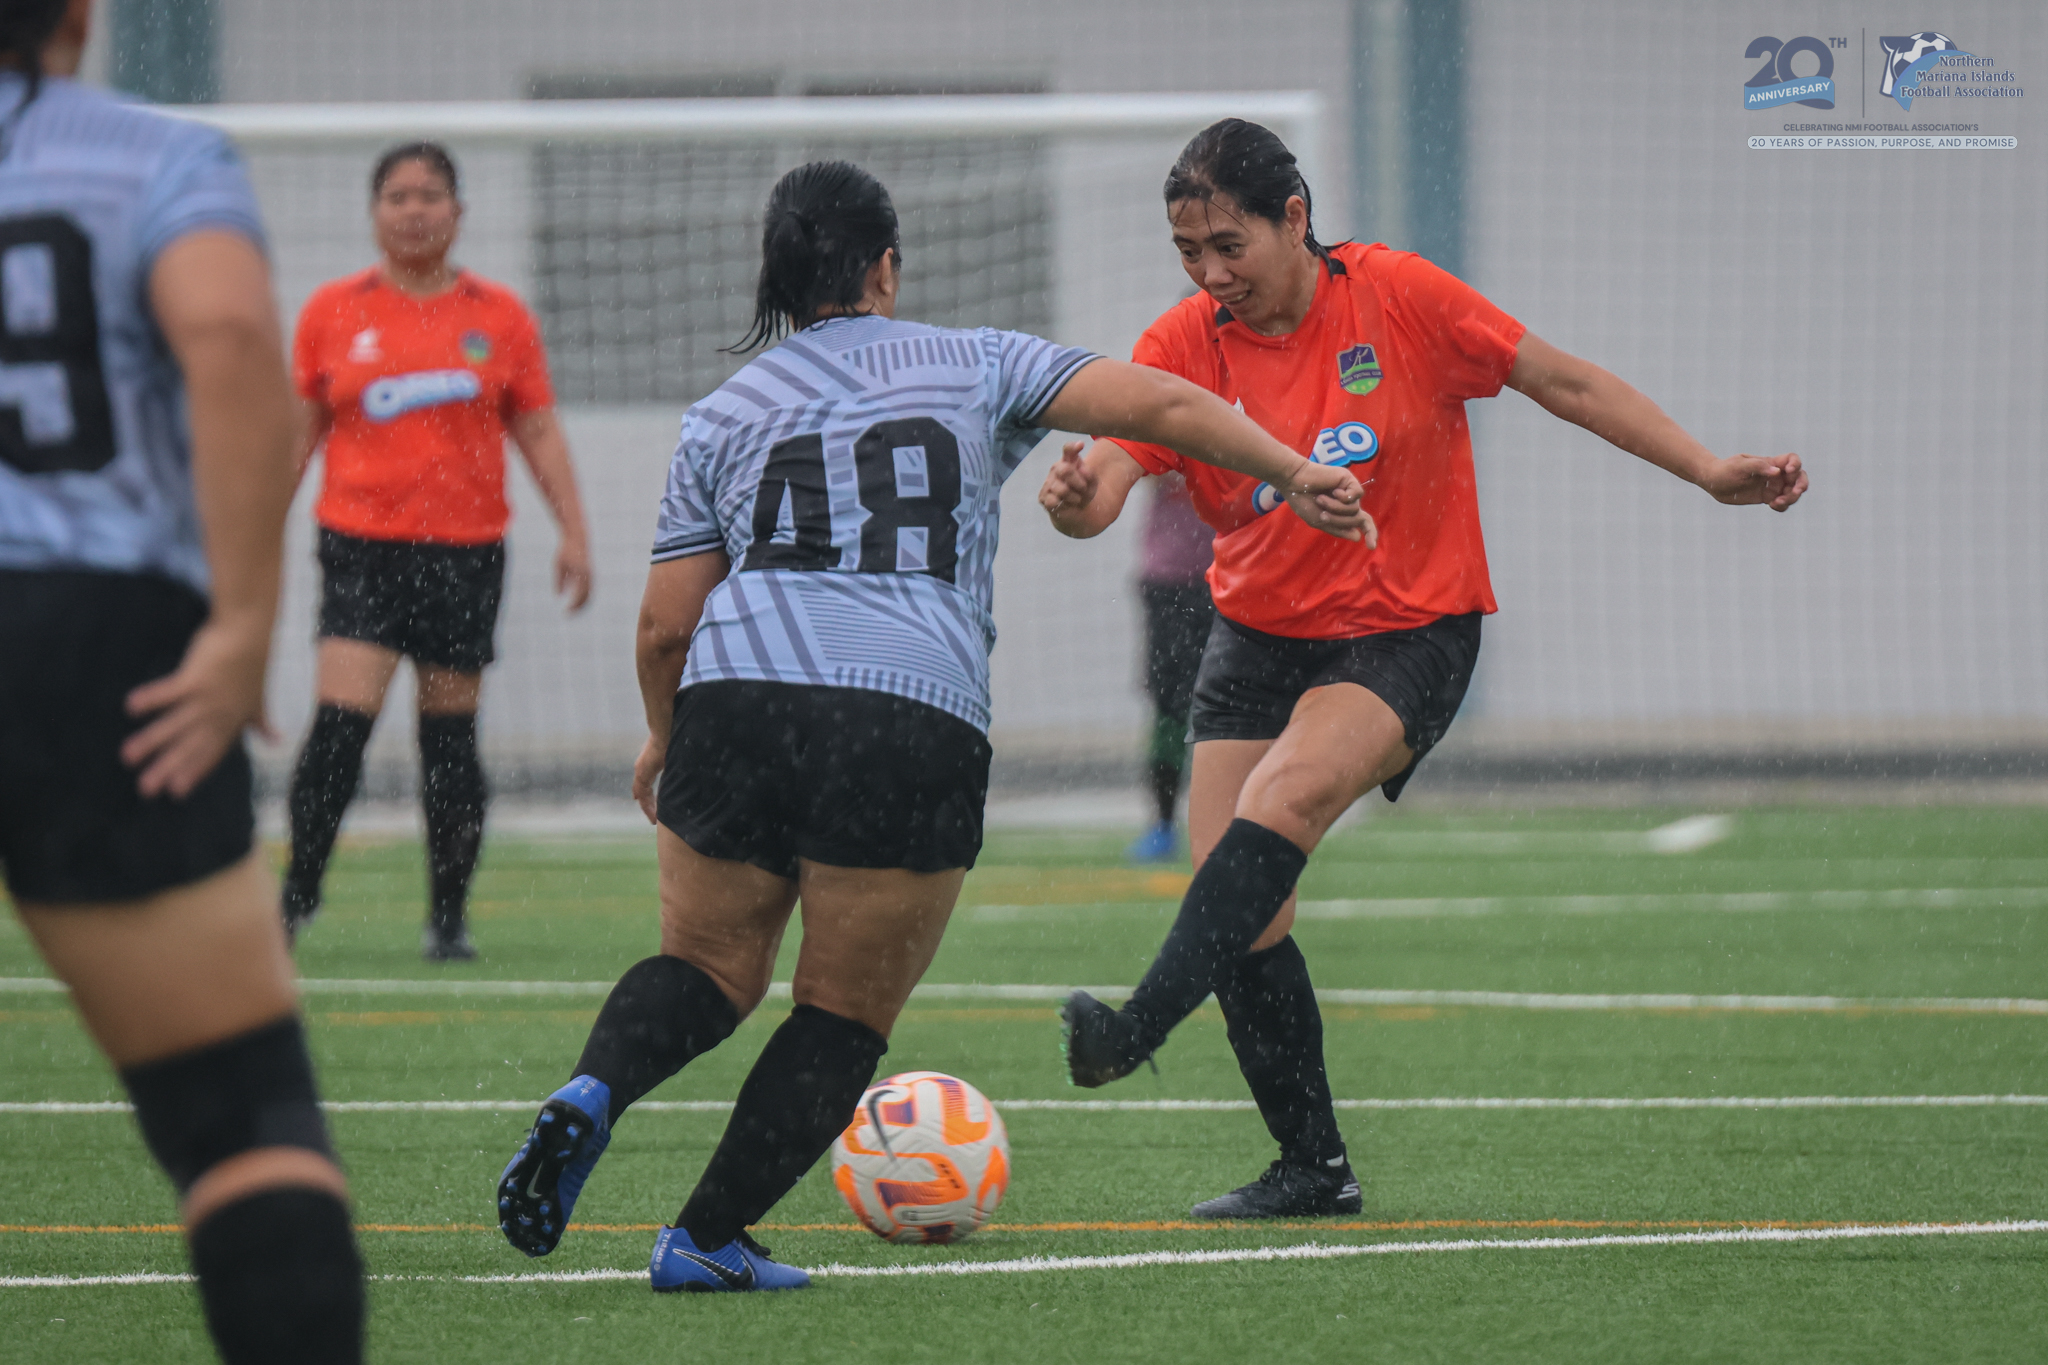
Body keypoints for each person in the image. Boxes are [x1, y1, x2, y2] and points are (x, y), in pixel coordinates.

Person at [492, 159, 1366, 1293]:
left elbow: (665, 626)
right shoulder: (976, 360)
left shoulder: (721, 414)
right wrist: (1292, 469)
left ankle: (594, 1088)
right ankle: (705, 1234)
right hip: (907, 705)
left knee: (703, 967)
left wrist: (668, 737)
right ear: (886, 269)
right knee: (842, 1011)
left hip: (738, 694)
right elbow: (1158, 404)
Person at [1041, 118, 1808, 1219]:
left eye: (1228, 246)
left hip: (1405, 630)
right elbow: (1111, 471)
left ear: (1294, 218)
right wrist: (1077, 500)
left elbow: (1562, 381)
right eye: (1188, 252)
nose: (1210, 274)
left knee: (1281, 801)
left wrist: (1704, 469)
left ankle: (1131, 1031)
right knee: (1242, 905)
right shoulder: (1184, 341)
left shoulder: (1395, 296)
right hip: (1253, 639)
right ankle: (1312, 1170)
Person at [0, 0, 365, 1359]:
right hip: (92, 641)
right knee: (238, 1116)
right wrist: (241, 624)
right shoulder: (152, 156)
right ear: (78, 18)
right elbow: (225, 338)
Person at [281, 141, 592, 961]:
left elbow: (537, 428)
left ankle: (447, 919)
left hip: (464, 552)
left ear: (457, 212)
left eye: (429, 195)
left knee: (449, 740)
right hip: (360, 547)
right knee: (340, 728)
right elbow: (297, 434)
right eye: (397, 196)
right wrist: (254, 531)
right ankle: (294, 900)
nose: (413, 210)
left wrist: (575, 530)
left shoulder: (500, 316)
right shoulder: (332, 312)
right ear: (374, 212)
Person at [1126, 469, 1215, 863]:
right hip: (1169, 582)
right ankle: (1163, 823)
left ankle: (1240, 815)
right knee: (1170, 708)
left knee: (1236, 703)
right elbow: (1137, 469)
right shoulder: (1166, 431)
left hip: (1231, 577)